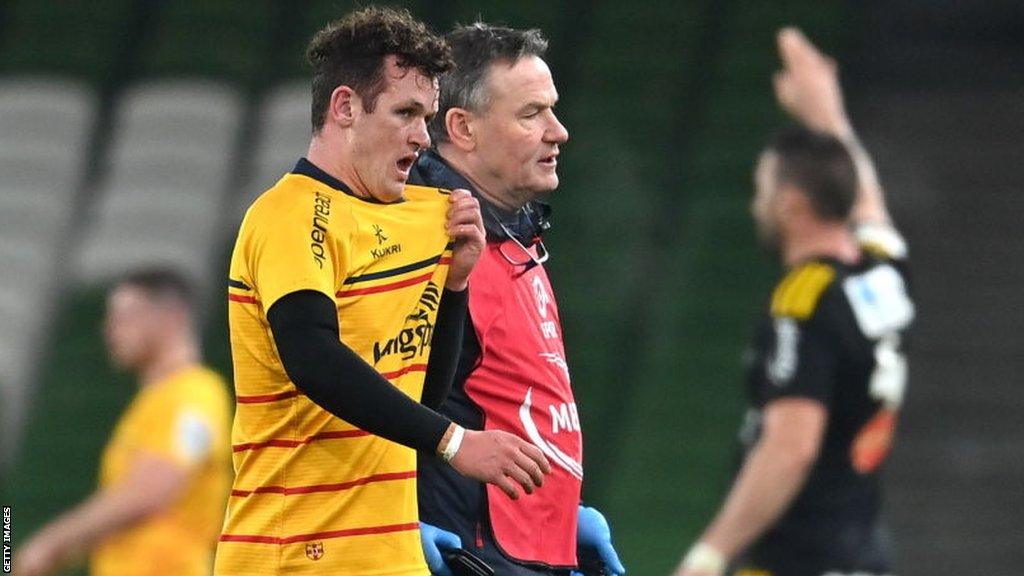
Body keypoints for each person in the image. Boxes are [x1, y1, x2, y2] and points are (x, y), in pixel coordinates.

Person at [215, 7, 550, 576]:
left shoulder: (420, 216)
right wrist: (454, 442)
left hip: (388, 557)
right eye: (405, 113)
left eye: (428, 116)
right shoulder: (291, 214)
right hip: (294, 556)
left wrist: (455, 285)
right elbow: (312, 357)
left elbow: (422, 395)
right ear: (345, 107)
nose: (423, 137)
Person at [673, 28, 915, 576]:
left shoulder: (803, 302)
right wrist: (827, 113)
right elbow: (869, 201)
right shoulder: (882, 274)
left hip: (797, 559)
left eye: (763, 192)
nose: (757, 205)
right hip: (861, 554)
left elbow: (792, 447)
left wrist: (709, 554)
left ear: (791, 205)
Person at [408, 23, 625, 576]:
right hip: (473, 556)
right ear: (462, 128)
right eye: (532, 115)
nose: (560, 131)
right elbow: (359, 395)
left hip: (531, 552)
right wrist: (397, 524)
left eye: (551, 110)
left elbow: (504, 398)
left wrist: (560, 516)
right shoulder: (424, 239)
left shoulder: (516, 236)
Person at [15, 268, 232, 576]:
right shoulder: (151, 403)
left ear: (170, 316)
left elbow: (151, 490)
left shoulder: (193, 396)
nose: (110, 329)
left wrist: (51, 542)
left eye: (125, 315)